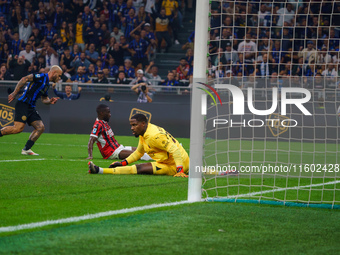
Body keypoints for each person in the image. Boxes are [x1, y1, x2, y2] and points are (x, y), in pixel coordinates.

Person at [88, 113, 189, 177]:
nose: (132, 128)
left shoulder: (154, 136)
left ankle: (100, 171)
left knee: (140, 168)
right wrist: (123, 163)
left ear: (143, 124)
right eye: (131, 125)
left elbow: (175, 150)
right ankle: (99, 170)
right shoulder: (144, 133)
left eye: (134, 125)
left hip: (176, 165)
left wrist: (179, 170)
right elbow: (139, 153)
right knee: (139, 167)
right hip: (166, 162)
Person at [0, 65, 62, 155]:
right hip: (23, 104)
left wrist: (50, 101)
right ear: (54, 73)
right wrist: (14, 93)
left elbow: (44, 99)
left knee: (40, 127)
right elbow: (24, 79)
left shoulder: (47, 85)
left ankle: (26, 149)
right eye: (59, 75)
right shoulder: (41, 77)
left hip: (31, 107)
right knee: (17, 129)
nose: (59, 78)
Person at [87, 105, 152, 161]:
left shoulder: (104, 123)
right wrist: (90, 156)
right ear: (102, 113)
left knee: (142, 149)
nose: (110, 114)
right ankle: (159, 158)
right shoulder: (98, 125)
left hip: (119, 148)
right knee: (139, 154)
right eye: (108, 112)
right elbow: (91, 140)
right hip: (112, 153)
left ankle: (158, 152)